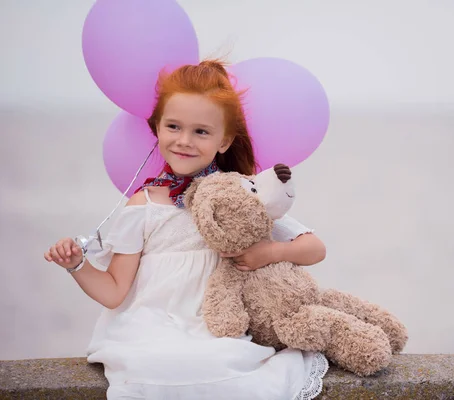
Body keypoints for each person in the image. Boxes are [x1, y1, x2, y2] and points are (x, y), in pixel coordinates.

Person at [43, 59, 329, 400]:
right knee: (155, 367)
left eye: (201, 131)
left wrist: (269, 252)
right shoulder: (143, 204)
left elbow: (314, 248)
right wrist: (77, 264)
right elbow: (115, 291)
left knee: (223, 365)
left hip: (215, 327)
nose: (184, 141)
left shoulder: (239, 195)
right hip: (150, 326)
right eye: (173, 127)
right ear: (157, 128)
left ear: (224, 141)